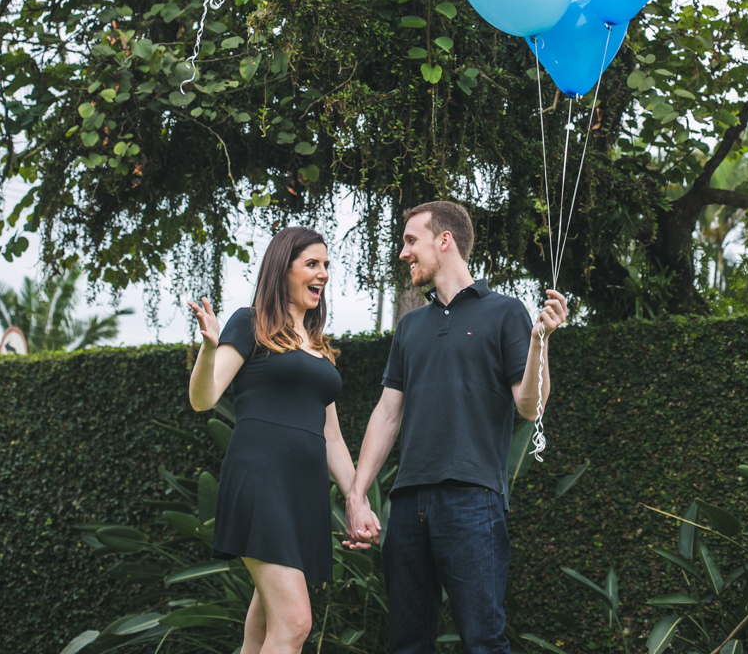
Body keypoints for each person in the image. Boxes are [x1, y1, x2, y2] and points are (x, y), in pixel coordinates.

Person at [344, 201, 568, 654]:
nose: (403, 252)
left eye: (411, 240)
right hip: (406, 505)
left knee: (483, 641)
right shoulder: (410, 326)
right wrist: (357, 492)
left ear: (444, 241)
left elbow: (529, 406)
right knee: (407, 643)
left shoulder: (505, 314)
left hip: (473, 501)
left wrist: (540, 342)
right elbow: (388, 413)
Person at [187, 226, 378, 654]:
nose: (323, 273)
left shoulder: (320, 347)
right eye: (312, 264)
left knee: (261, 632)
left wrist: (356, 499)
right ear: (282, 270)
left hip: (303, 491)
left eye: (326, 265)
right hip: (261, 480)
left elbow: (331, 436)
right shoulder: (250, 323)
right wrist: (208, 350)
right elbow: (204, 399)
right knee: (294, 624)